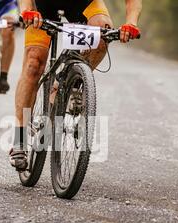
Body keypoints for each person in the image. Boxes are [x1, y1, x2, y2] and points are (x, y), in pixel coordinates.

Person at [9, 0, 142, 170]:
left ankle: (70, 84)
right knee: (34, 63)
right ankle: (19, 138)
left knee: (103, 32)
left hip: (82, 3)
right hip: (41, 4)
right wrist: (26, 10)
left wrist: (131, 22)